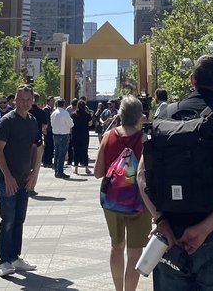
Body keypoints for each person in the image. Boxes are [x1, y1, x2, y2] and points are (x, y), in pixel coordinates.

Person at [139, 55, 213, 291]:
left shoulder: (164, 117)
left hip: (169, 236)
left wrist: (160, 220)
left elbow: (142, 176)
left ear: (191, 80)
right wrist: (204, 229)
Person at [95, 95, 150, 291]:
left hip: (112, 201)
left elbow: (97, 172)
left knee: (116, 246)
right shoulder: (145, 140)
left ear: (119, 114)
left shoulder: (108, 136)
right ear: (139, 117)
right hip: (139, 203)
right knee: (135, 253)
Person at [0, 86, 41, 277]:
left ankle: (15, 257)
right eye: (21, 99)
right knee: (8, 219)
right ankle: (4, 261)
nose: (24, 103)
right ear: (14, 100)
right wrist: (7, 176)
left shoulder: (32, 121)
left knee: (19, 219)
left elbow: (34, 148)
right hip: (8, 179)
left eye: (28, 99)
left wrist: (33, 173)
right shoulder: (7, 121)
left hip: (24, 179)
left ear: (32, 101)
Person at [50, 97, 74, 178]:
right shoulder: (65, 113)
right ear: (63, 104)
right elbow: (71, 124)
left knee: (56, 153)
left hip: (55, 134)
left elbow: (52, 124)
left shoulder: (53, 113)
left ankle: (56, 170)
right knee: (62, 154)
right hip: (64, 134)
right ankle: (60, 171)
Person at [71, 98, 93, 175]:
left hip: (75, 135)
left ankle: (76, 169)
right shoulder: (87, 115)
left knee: (76, 151)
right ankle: (86, 168)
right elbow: (90, 124)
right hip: (84, 135)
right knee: (85, 151)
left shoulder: (73, 114)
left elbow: (71, 125)